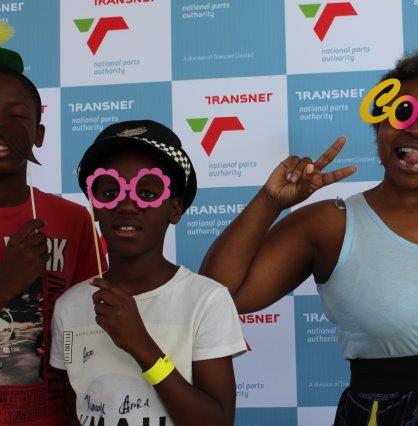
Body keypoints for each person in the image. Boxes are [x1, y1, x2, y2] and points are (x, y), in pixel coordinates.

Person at [200, 49, 418, 425]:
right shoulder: (331, 224)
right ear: (379, 126)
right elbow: (219, 295)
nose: (417, 129)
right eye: (403, 112)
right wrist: (270, 202)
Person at [49, 120, 246, 426]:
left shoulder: (207, 300)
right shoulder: (69, 306)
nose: (127, 205)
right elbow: (76, 412)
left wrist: (142, 346)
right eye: (110, 191)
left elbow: (217, 421)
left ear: (174, 209)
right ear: (95, 207)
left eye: (147, 193)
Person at [0, 46, 106, 426]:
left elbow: (93, 329)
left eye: (15, 117)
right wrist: (6, 283)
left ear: (38, 134)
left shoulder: (73, 220)